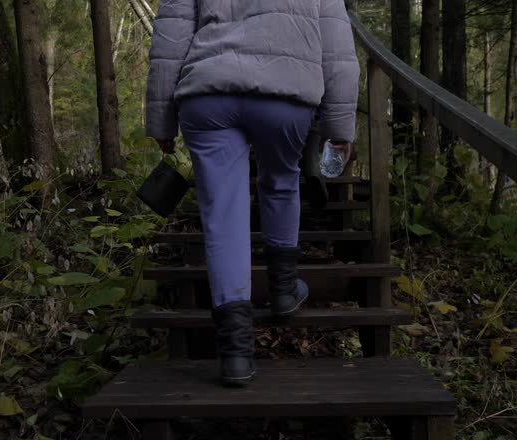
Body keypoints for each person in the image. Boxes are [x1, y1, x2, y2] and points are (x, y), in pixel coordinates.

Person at [145, 0, 360, 387]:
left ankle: (235, 353)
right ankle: (283, 289)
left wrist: (161, 119)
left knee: (223, 214)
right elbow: (338, 45)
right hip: (287, 91)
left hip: (209, 92)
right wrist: (339, 127)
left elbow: (171, 32)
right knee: (280, 181)